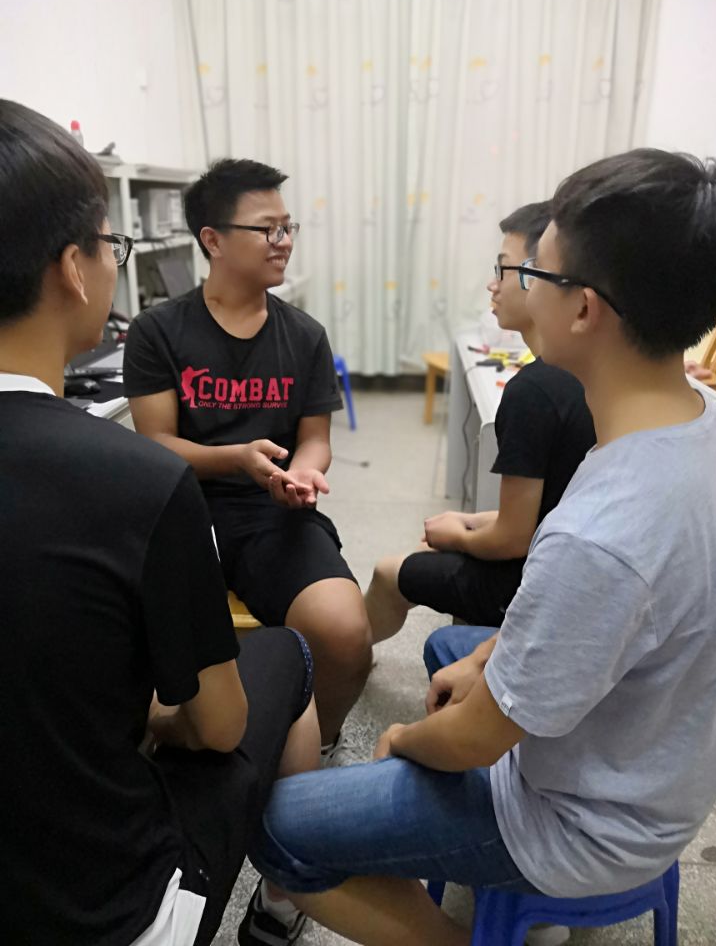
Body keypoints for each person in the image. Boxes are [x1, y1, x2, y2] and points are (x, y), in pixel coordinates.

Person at [236, 148, 716, 946]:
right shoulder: (696, 421)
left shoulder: (601, 536)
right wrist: (493, 656)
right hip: (658, 773)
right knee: (453, 653)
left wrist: (399, 743)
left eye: (534, 272)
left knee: (277, 822)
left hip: (578, 828)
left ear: (584, 309)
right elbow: (587, 620)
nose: (516, 286)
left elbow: (473, 741)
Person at [0, 99, 319, 946]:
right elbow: (216, 728)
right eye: (114, 245)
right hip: (105, 911)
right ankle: (280, 910)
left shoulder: (299, 334)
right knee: (288, 654)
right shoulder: (139, 479)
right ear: (74, 268)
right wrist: (152, 720)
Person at [123, 159, 372, 751]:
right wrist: (238, 457)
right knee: (137, 652)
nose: (283, 241)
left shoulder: (304, 334)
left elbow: (316, 437)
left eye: (288, 227)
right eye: (267, 229)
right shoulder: (158, 331)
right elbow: (156, 444)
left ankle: (320, 740)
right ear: (213, 240)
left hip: (272, 513)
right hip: (179, 513)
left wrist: (303, 472)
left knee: (345, 633)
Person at [365, 202, 595, 642]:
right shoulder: (589, 371)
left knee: (388, 570)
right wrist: (468, 523)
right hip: (566, 562)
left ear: (538, 275)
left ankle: (343, 665)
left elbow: (513, 539)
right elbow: (551, 506)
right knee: (443, 536)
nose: (493, 284)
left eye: (502, 269)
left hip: (534, 583)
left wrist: (459, 535)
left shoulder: (534, 391)